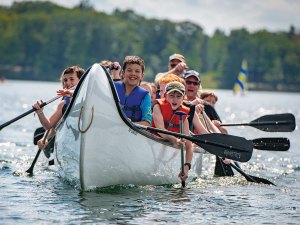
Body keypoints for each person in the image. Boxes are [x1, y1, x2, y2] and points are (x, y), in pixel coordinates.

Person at [151, 81, 193, 182]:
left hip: (169, 147)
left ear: (183, 98)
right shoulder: (158, 106)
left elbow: (188, 145)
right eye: (171, 95)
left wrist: (186, 168)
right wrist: (176, 140)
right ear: (165, 95)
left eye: (179, 96)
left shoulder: (184, 116)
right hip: (154, 142)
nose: (175, 99)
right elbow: (161, 131)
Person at [32, 66, 85, 130]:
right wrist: (40, 113)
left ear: (81, 81)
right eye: (65, 80)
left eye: (71, 79)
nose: (67, 83)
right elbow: (48, 126)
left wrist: (72, 93)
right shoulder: (62, 104)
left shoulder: (88, 95)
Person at [114, 56, 152, 126]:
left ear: (142, 76)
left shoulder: (145, 95)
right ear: (123, 73)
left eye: (137, 71)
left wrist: (129, 124)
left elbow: (147, 123)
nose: (133, 74)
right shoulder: (113, 87)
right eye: (129, 70)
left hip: (131, 134)